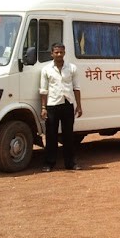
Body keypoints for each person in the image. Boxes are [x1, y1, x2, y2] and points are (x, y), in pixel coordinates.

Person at [39, 42, 83, 171]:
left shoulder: (71, 68)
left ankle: (70, 163)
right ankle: (49, 163)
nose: (59, 54)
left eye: (61, 52)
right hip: (52, 105)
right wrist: (43, 108)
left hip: (67, 104)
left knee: (68, 136)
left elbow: (76, 88)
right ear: (52, 54)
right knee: (51, 135)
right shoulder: (46, 70)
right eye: (56, 52)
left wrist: (79, 106)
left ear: (64, 53)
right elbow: (43, 90)